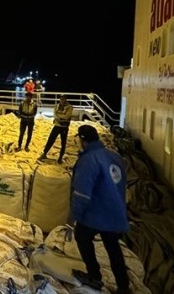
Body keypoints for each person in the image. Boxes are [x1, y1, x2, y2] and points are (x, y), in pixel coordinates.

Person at [70, 125, 130, 294]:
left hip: (96, 212)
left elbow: (82, 193)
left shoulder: (88, 160)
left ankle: (94, 276)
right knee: (113, 247)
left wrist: (75, 214)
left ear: (83, 140)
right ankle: (123, 286)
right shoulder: (114, 156)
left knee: (81, 236)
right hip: (115, 211)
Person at [38, 94, 73, 164]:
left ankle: (60, 157)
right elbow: (54, 114)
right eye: (61, 99)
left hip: (64, 127)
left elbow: (67, 116)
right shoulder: (57, 106)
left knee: (63, 142)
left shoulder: (69, 107)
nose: (62, 100)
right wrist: (60, 117)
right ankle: (44, 153)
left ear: (66, 99)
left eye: (63, 99)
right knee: (50, 139)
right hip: (57, 126)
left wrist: (59, 116)